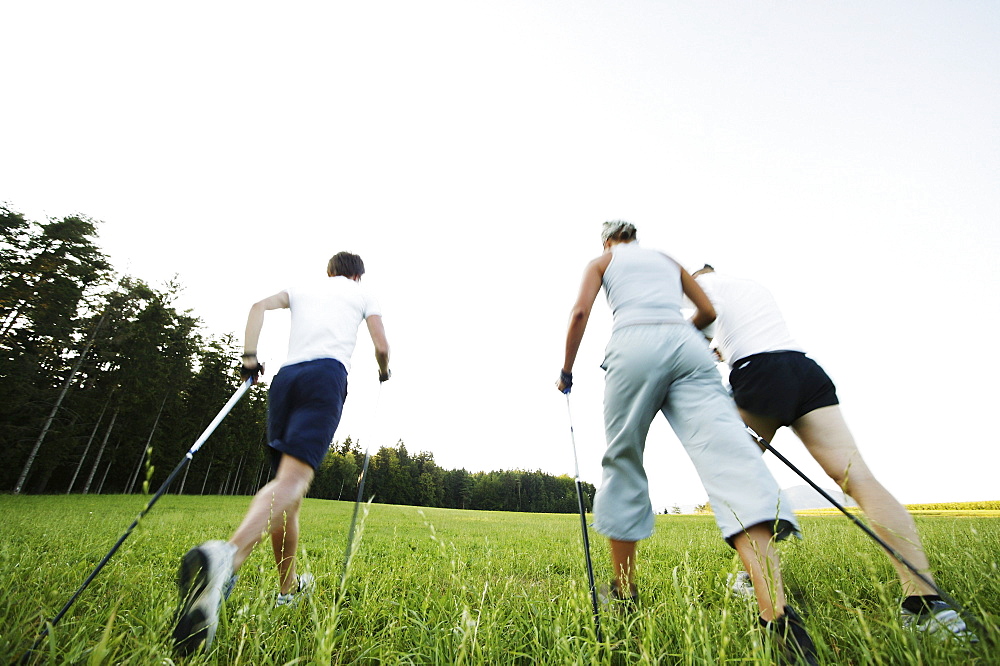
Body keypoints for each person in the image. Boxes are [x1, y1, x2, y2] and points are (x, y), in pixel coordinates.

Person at [557, 221, 817, 663]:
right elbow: (707, 313)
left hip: (633, 343)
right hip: (687, 346)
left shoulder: (602, 261)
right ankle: (778, 618)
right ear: (636, 237)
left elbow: (580, 313)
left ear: (607, 240)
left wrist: (566, 370)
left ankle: (623, 591)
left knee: (623, 458)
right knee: (733, 459)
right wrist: (681, 338)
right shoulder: (666, 261)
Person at [692, 264, 977, 641]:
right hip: (804, 371)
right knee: (856, 477)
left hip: (760, 373)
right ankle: (925, 606)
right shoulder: (748, 287)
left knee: (736, 478)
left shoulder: (703, 286)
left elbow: (694, 325)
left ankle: (752, 583)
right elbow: (740, 335)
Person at [172, 251, 391, 655]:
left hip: (286, 379)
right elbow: (381, 345)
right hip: (325, 376)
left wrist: (249, 359)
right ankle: (228, 556)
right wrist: (384, 368)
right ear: (357, 275)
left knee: (285, 496)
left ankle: (287, 590)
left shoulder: (303, 288)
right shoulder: (363, 294)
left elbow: (258, 307)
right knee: (293, 482)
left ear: (330, 271)